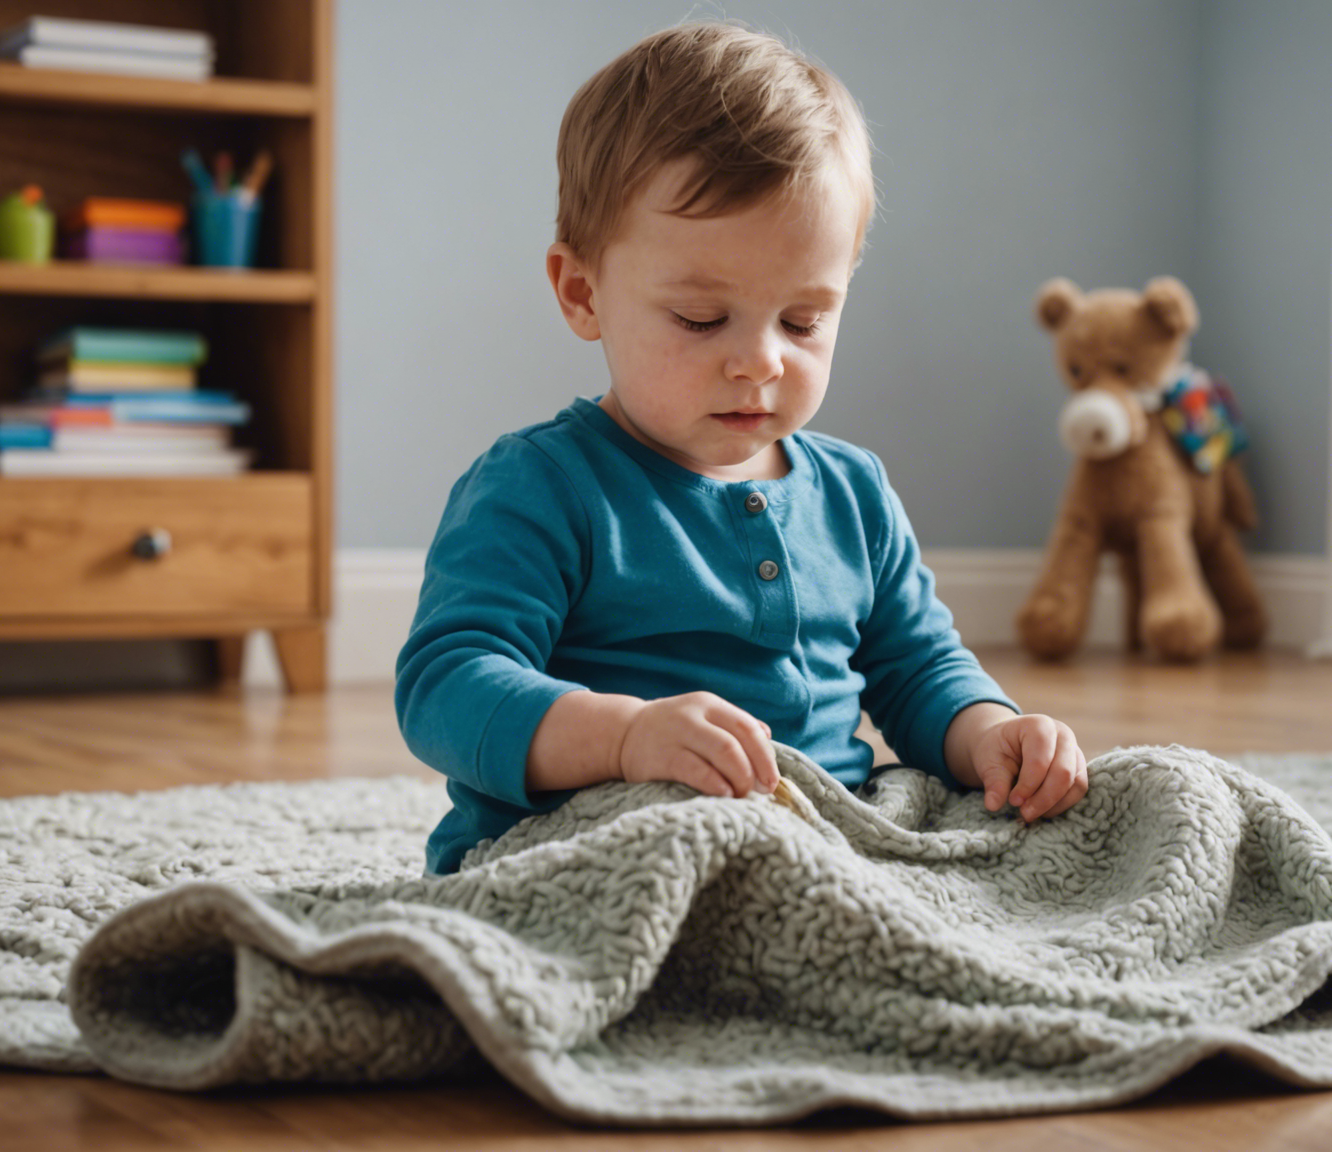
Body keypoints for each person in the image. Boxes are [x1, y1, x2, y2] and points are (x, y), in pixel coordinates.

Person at [397, 22, 1088, 874]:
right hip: (595, 846)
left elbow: (916, 668)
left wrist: (993, 734)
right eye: (699, 319)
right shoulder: (540, 486)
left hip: (820, 842)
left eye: (804, 321)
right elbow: (447, 686)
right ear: (583, 293)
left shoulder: (853, 492)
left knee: (1138, 808)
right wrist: (626, 738)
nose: (761, 360)